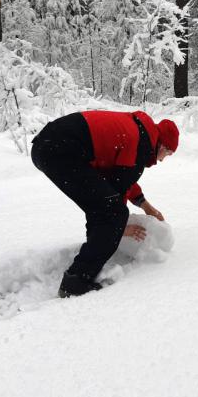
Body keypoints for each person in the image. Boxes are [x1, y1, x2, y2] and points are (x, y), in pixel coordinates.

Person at [31, 110, 179, 298]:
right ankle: (76, 281)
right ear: (162, 145)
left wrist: (144, 205)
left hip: (50, 143)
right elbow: (117, 192)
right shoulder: (140, 144)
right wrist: (119, 228)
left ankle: (91, 260)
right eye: (168, 153)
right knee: (112, 214)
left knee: (103, 206)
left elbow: (116, 179)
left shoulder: (138, 131)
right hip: (60, 150)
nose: (163, 159)